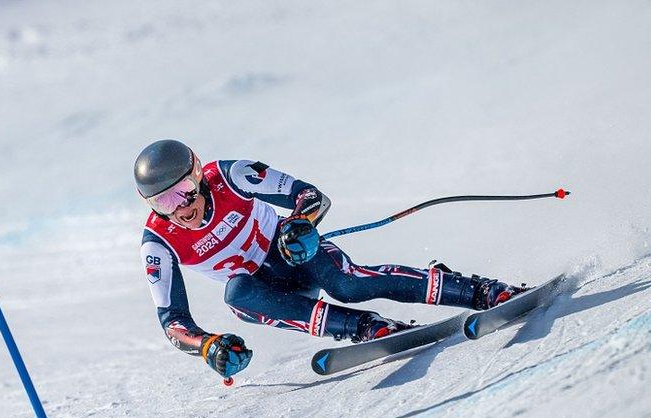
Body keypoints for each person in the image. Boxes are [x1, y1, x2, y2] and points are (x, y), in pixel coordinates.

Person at [137, 140, 524, 379]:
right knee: (237, 296)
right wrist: (208, 346)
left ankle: (481, 291)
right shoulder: (158, 242)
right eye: (164, 201)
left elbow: (309, 196)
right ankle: (367, 328)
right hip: (266, 292)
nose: (181, 208)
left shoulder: (229, 175)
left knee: (348, 284)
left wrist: (300, 225)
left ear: (198, 177)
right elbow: (173, 322)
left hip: (294, 254)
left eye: (185, 190)